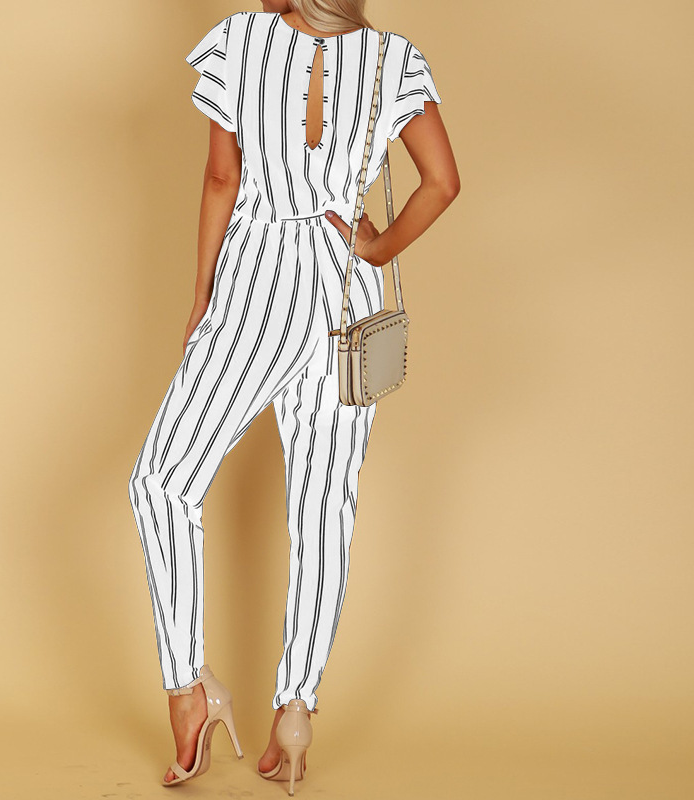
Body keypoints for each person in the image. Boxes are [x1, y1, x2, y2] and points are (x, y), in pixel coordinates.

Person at [128, 0, 460, 791]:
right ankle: (297, 709)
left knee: (163, 482)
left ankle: (188, 690)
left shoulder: (239, 41)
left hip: (258, 282)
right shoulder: (393, 58)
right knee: (323, 507)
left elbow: (223, 177)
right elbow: (443, 183)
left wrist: (203, 292)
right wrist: (377, 246)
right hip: (347, 287)